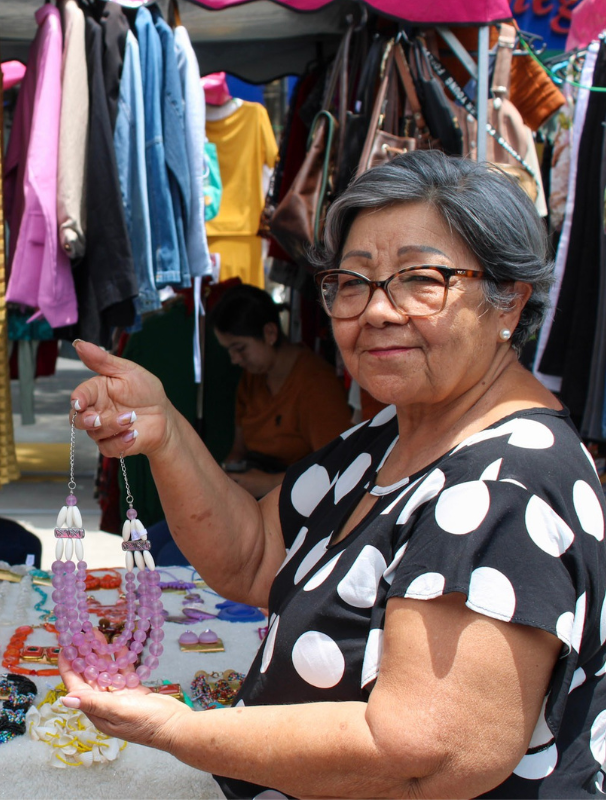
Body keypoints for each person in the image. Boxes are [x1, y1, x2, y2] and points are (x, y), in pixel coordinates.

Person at [60, 151, 606, 797]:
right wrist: (168, 432)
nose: (376, 310)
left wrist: (178, 731)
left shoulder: (499, 484)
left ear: (508, 302)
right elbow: (255, 557)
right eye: (353, 281)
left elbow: (422, 755)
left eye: (419, 279)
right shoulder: (393, 433)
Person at [212, 284, 352, 499]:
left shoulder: (316, 384)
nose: (234, 360)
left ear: (269, 333)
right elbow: (238, 449)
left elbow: (336, 468)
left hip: (298, 500)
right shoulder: (252, 379)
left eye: (240, 349)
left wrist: (269, 483)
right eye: (229, 350)